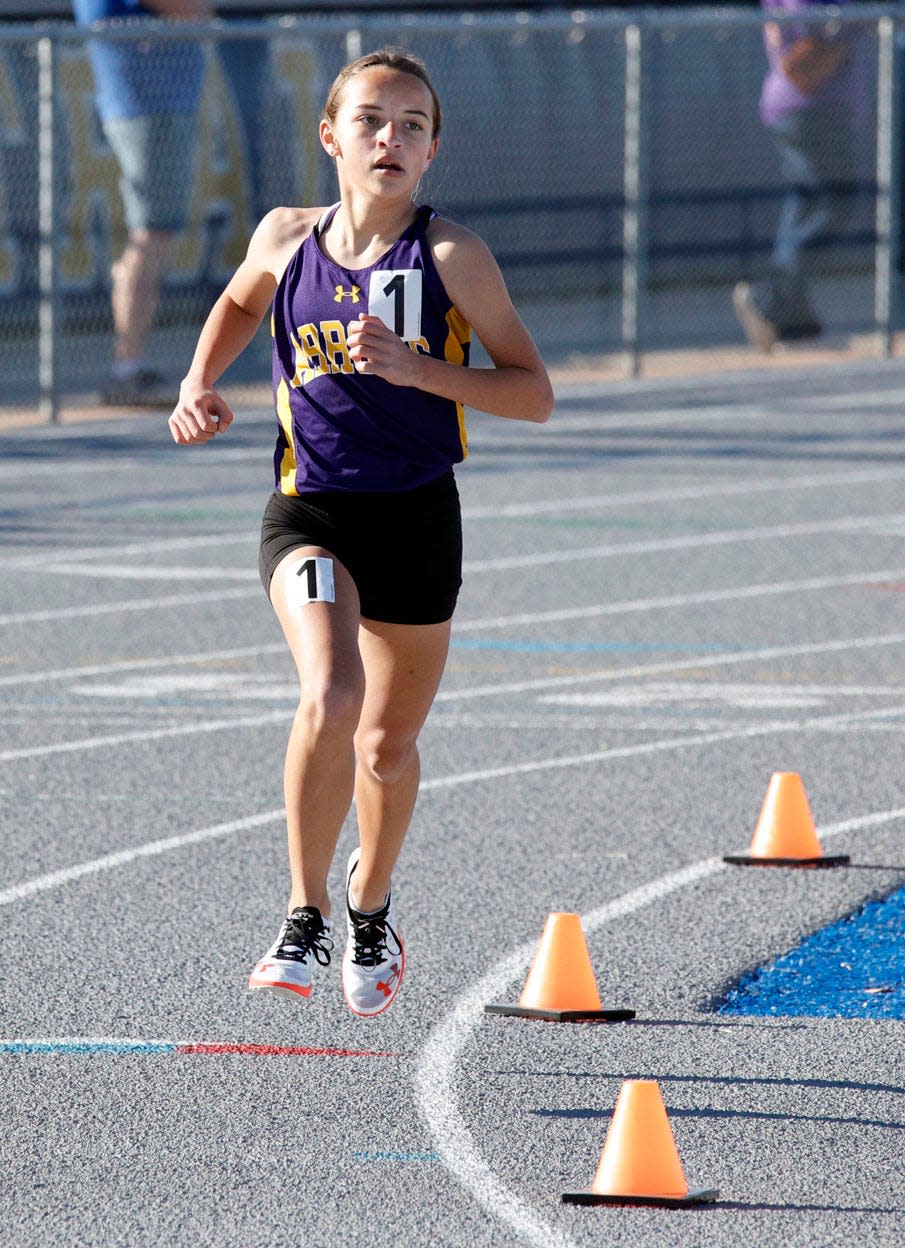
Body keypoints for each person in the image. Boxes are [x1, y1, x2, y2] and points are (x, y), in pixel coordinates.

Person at [168, 48, 553, 1017]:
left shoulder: (452, 257)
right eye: (372, 120)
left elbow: (533, 394)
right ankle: (302, 912)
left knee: (384, 745)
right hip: (311, 511)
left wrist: (425, 373)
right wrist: (198, 382)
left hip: (418, 519)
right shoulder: (284, 237)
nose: (391, 139)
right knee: (329, 691)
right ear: (331, 136)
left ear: (432, 152)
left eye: (413, 125)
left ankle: (367, 903)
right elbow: (238, 302)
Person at [73, 0, 210, 404]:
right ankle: (126, 367)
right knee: (151, 234)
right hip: (150, 105)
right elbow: (190, 7)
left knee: (153, 235)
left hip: (158, 104)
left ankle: (130, 362)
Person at [733, 0, 863, 352]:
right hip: (807, 108)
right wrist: (851, 22)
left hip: (812, 108)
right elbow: (815, 31)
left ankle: (793, 316)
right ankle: (771, 299)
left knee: (806, 205)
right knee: (832, 204)